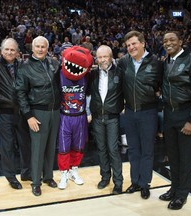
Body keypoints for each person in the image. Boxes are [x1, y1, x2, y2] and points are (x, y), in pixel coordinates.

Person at [159, 31, 191, 210]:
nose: (168, 43)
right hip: (169, 115)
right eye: (165, 41)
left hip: (186, 114)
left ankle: (182, 194)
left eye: (172, 39)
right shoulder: (167, 62)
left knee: (185, 158)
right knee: (173, 156)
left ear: (181, 41)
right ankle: (174, 188)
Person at [117, 30, 162, 199]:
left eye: (134, 43)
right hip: (129, 112)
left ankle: (145, 184)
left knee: (147, 150)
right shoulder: (123, 62)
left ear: (143, 43)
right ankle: (135, 181)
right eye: (128, 45)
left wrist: (155, 95)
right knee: (133, 149)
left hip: (148, 112)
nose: (131, 47)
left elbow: (160, 84)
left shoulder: (156, 62)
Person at [16, 36, 60, 196]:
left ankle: (48, 176)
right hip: (37, 112)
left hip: (55, 111)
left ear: (47, 48)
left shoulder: (54, 63)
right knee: (37, 148)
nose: (41, 49)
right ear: (32, 48)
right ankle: (36, 182)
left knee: (50, 146)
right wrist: (28, 116)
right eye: (38, 46)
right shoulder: (25, 67)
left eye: (43, 46)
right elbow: (20, 93)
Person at [0, 38, 31, 190]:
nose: (10, 52)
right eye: (7, 49)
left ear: (18, 52)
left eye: (13, 50)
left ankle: (26, 173)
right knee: (7, 146)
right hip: (4, 112)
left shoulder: (24, 65)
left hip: (22, 112)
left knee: (25, 144)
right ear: (1, 50)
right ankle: (11, 177)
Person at [88, 45, 124, 195]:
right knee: (101, 150)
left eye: (105, 57)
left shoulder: (120, 73)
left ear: (111, 57)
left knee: (113, 149)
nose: (102, 60)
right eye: (99, 57)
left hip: (112, 117)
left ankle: (118, 182)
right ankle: (105, 178)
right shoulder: (92, 74)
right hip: (97, 117)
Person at [57, 46, 93, 190]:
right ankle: (64, 173)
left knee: (79, 146)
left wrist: (89, 112)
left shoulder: (87, 76)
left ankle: (74, 170)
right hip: (64, 116)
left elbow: (89, 94)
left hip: (80, 116)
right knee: (64, 146)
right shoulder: (58, 74)